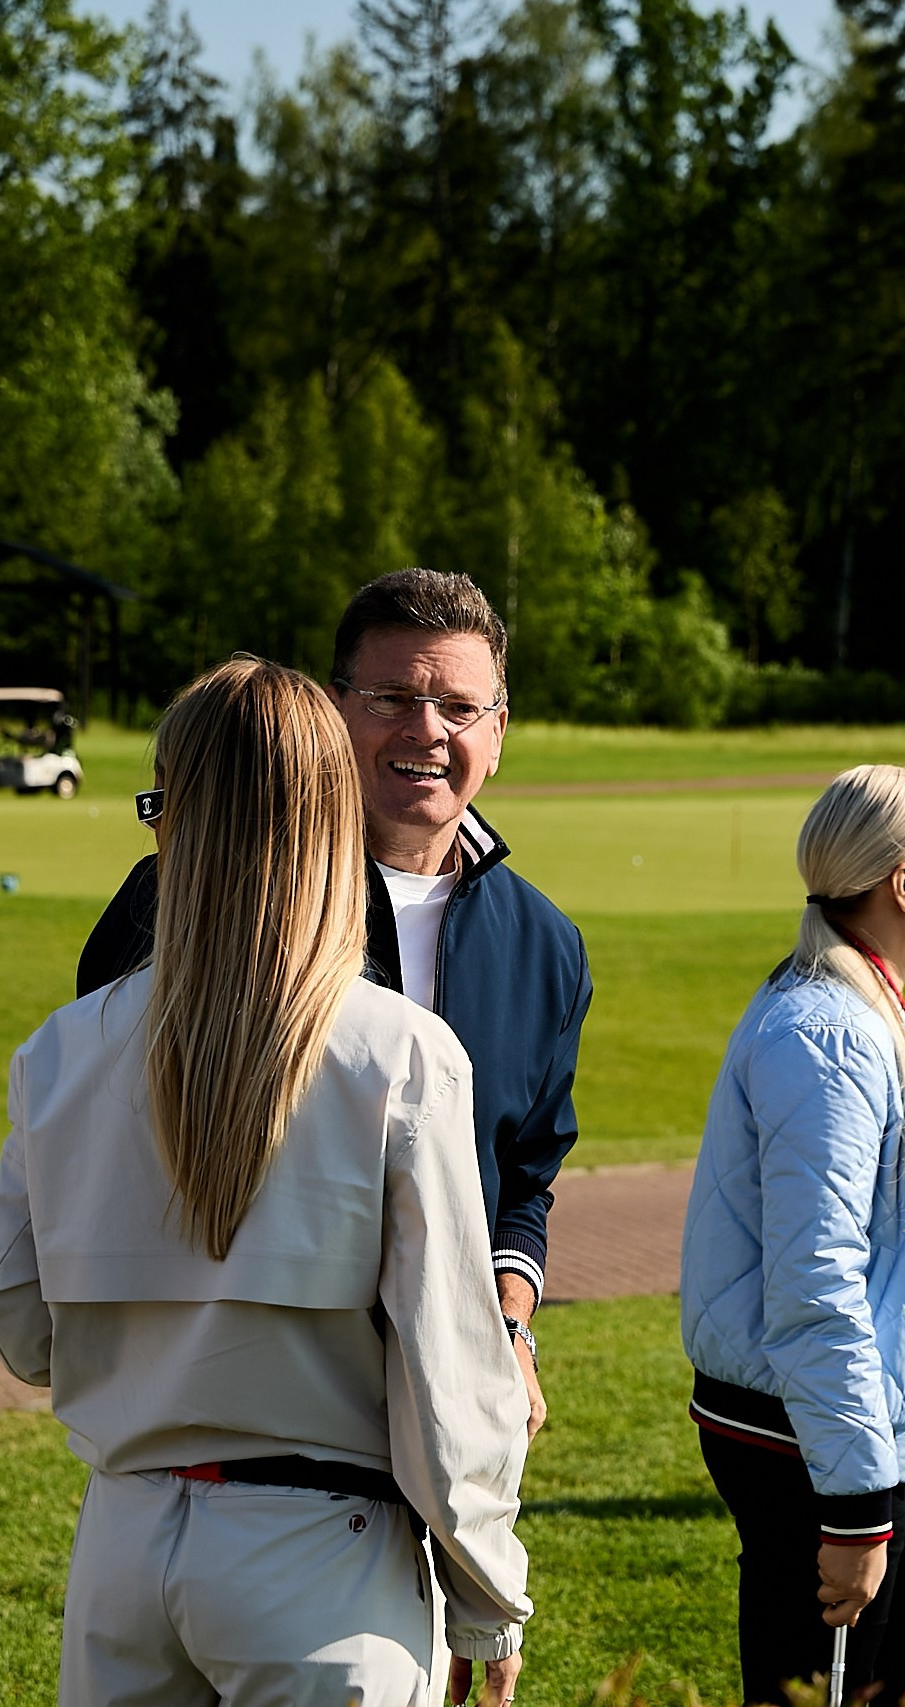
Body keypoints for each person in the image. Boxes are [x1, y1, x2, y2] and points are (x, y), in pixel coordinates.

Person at [0, 659, 533, 1705]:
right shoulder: (400, 1056)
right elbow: (450, 1377)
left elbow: (19, 1324)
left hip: (127, 1552)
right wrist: (486, 1599)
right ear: (330, 821)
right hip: (326, 1560)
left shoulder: (62, 1050)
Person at [76, 570, 591, 1434]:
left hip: (453, 1407)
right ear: (331, 711)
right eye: (392, 697)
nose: (427, 730)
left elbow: (524, 1172)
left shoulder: (546, 945)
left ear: (497, 732)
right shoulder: (183, 897)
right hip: (242, 1417)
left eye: (459, 708)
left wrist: (508, 1327)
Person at [680, 765, 905, 1707]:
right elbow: (816, 1281)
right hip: (817, 1445)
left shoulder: (860, 1013)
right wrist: (855, 1509)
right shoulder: (828, 1034)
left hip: (873, 1429)